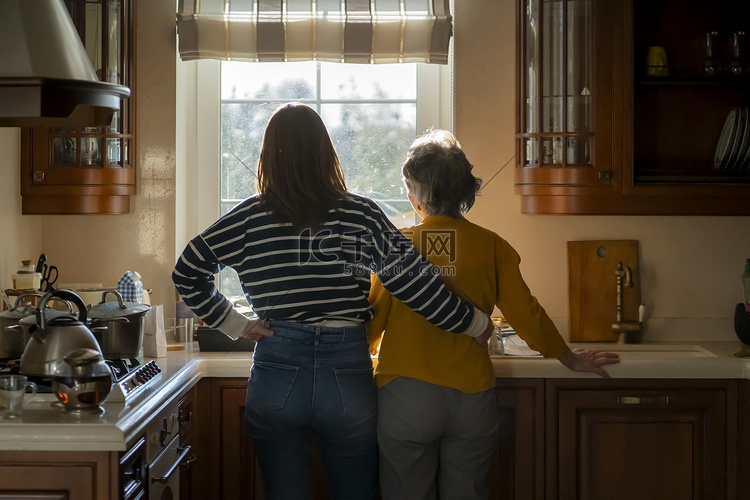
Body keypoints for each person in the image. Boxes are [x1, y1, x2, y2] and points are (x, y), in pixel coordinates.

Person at [172, 104, 494, 500]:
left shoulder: (249, 217)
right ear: (327, 152)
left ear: (267, 155)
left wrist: (236, 324)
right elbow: (417, 286)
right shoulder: (361, 214)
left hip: (277, 367)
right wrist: (477, 323)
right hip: (347, 369)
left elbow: (187, 269)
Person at [367, 129, 620, 500]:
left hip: (406, 397)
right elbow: (526, 312)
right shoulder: (493, 246)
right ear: (466, 193)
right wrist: (567, 356)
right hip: (472, 399)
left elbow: (371, 321)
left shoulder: (400, 246)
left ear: (418, 195)